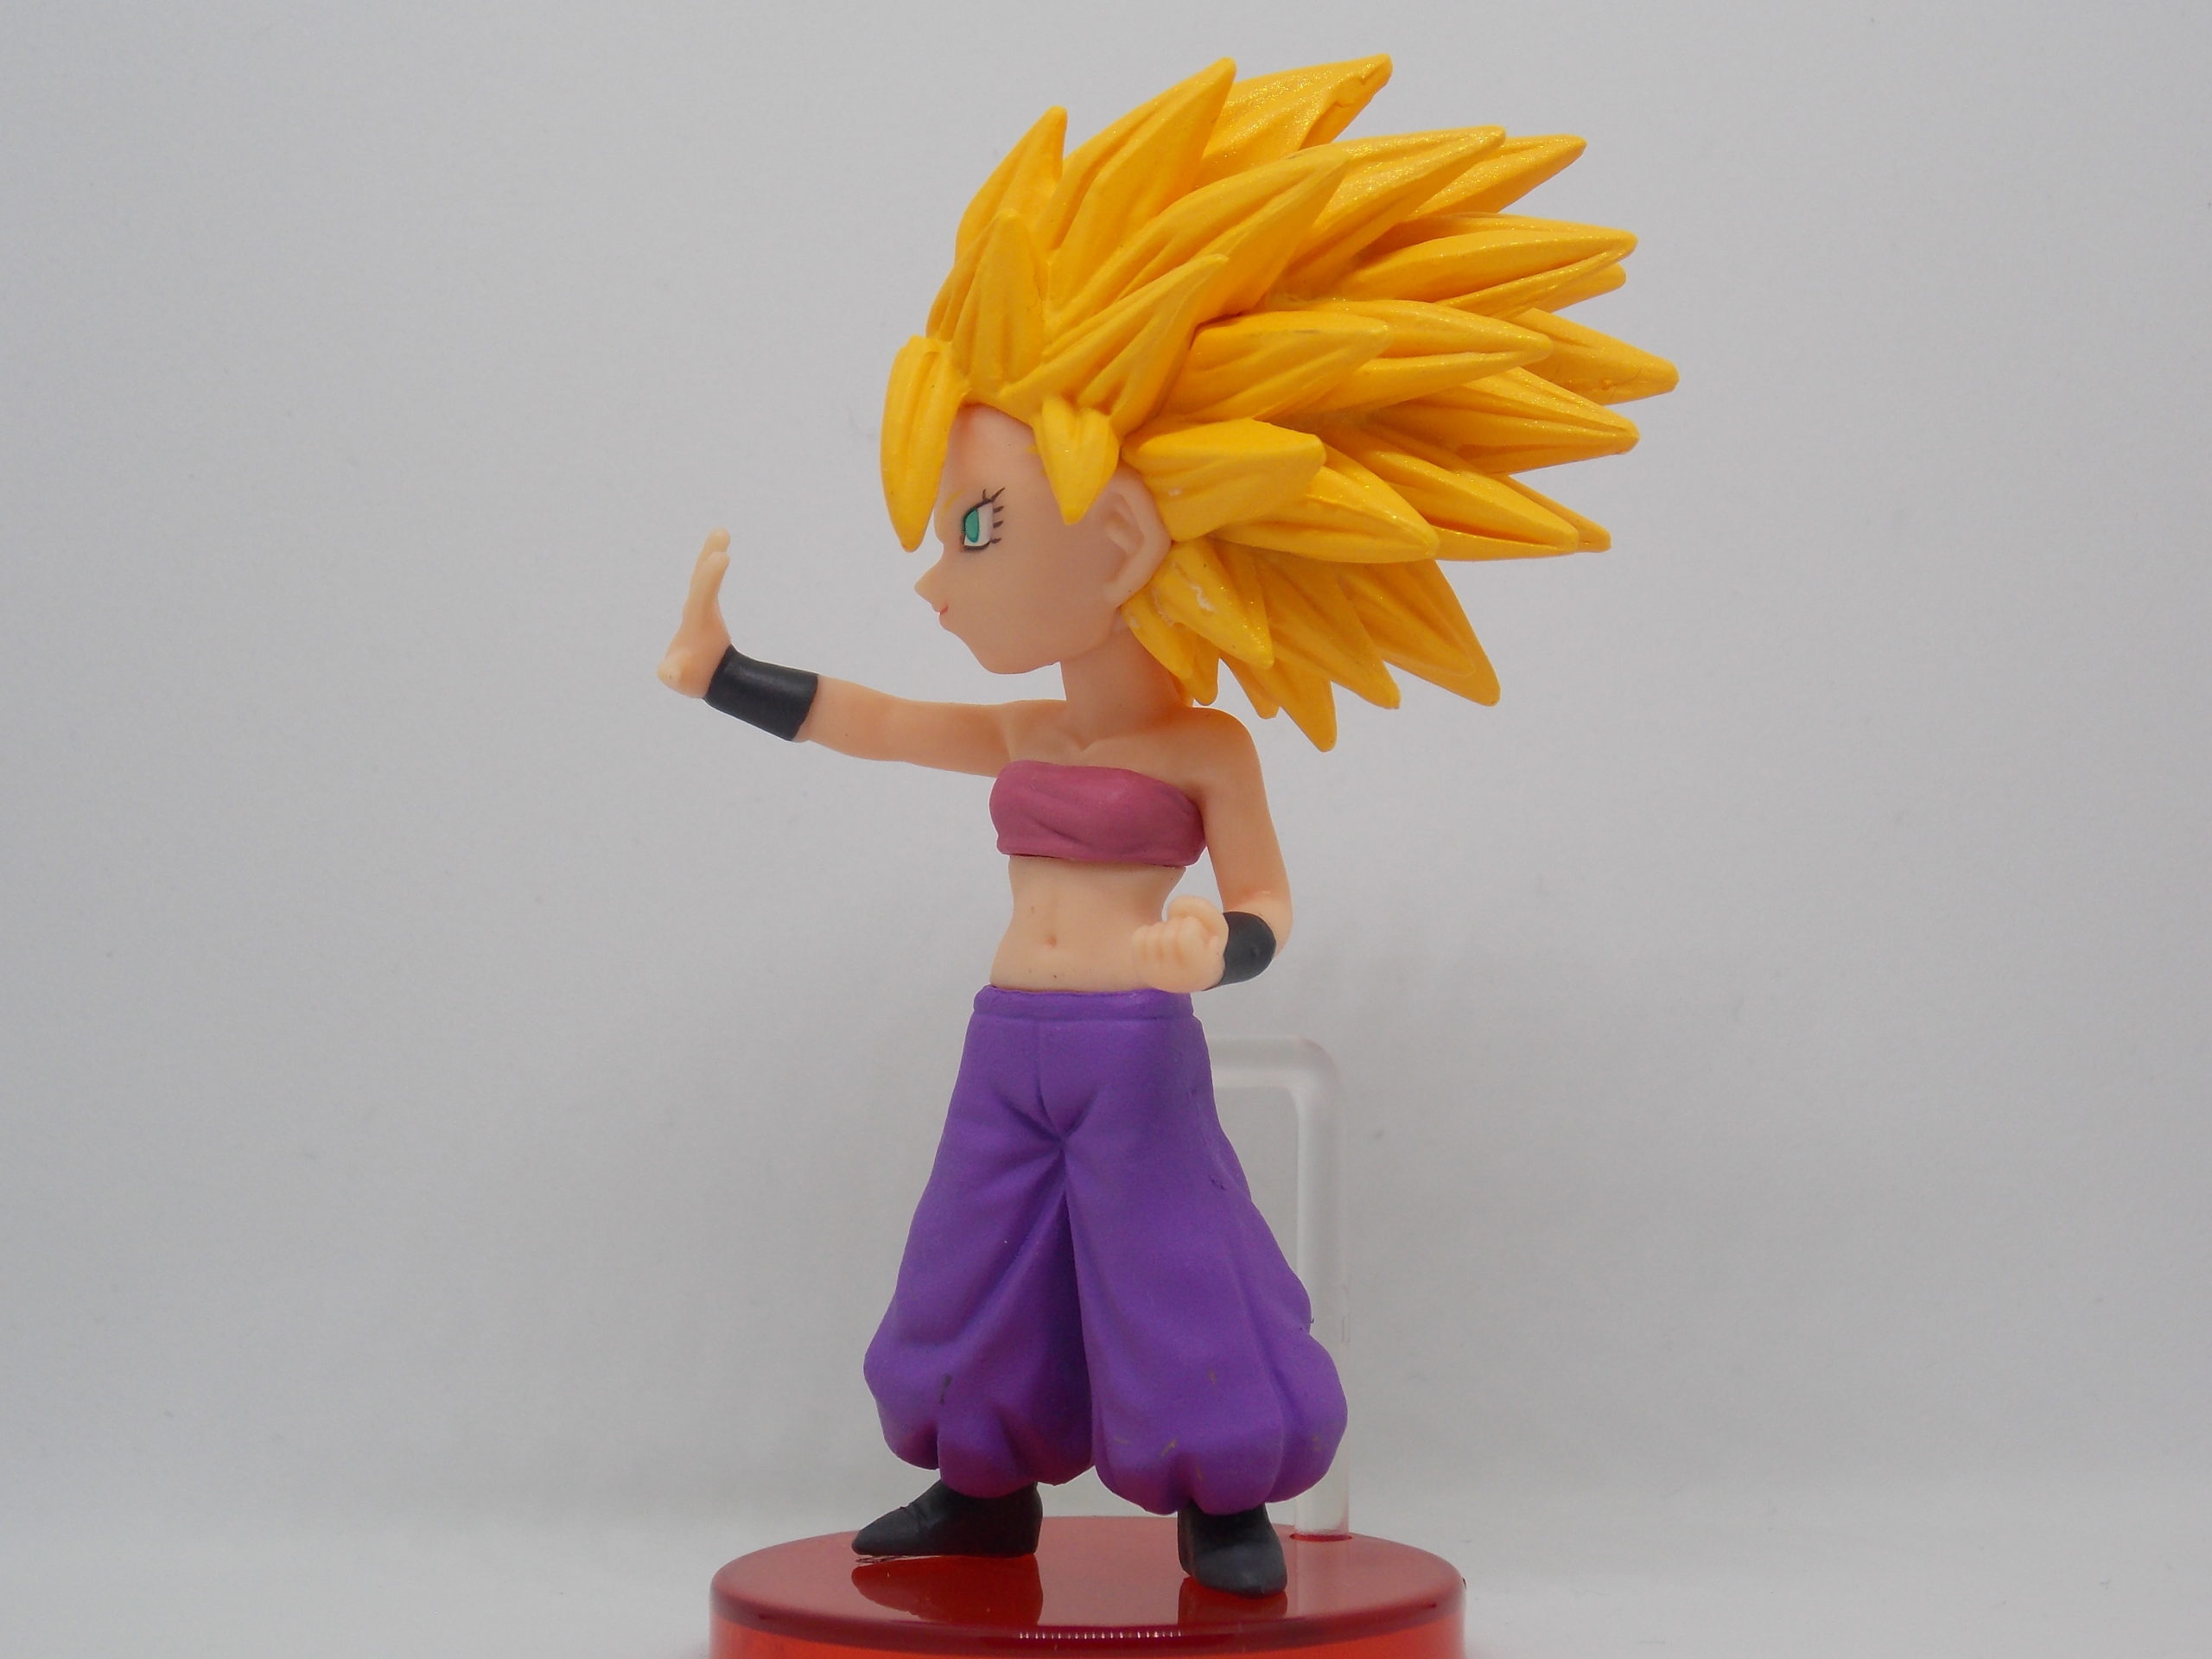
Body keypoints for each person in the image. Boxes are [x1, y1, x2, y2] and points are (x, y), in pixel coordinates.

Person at [658, 54, 1673, 1598]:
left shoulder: (1204, 747)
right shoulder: (1023, 729)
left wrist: (1219, 950)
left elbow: (1267, 896)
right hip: (1008, 1037)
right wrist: (722, 672)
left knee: (1170, 1263)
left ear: (1124, 533)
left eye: (977, 527)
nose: (937, 578)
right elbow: (878, 720)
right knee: (971, 1254)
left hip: (1133, 1039)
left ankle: (1220, 1498)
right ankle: (980, 1479)